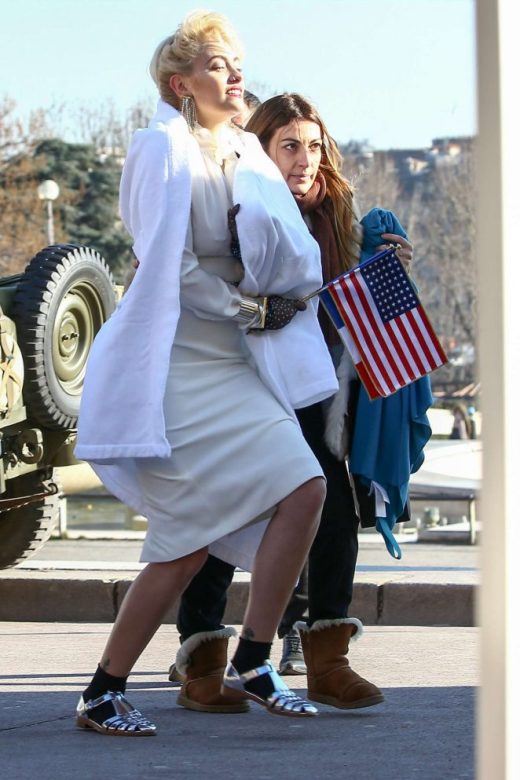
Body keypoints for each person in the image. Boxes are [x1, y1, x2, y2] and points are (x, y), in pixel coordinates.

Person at [73, 15, 342, 735]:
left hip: (233, 352)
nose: (236, 76)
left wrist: (281, 294)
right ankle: (103, 690)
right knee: (187, 539)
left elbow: (279, 240)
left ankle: (254, 656)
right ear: (181, 83)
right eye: (220, 66)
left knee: (305, 485)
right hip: (176, 359)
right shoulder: (159, 146)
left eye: (238, 64)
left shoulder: (245, 148)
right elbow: (165, 263)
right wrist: (249, 307)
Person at [170, 93, 414, 714]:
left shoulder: (343, 217)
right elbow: (191, 281)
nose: (305, 159)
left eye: (313, 145)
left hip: (311, 388)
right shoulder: (230, 203)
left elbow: (360, 312)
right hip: (238, 383)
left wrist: (385, 262)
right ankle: (202, 663)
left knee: (329, 503)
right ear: (261, 146)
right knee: (224, 514)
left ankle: (327, 660)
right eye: (290, 145)